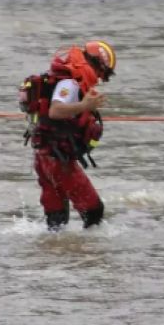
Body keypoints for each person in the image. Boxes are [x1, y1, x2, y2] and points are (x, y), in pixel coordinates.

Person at [21, 40, 116, 231]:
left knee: (56, 221)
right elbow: (55, 111)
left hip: (44, 158)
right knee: (94, 211)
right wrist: (84, 106)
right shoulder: (70, 82)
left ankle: (57, 255)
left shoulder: (63, 78)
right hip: (58, 161)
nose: (99, 80)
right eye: (102, 74)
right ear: (96, 64)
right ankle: (89, 256)